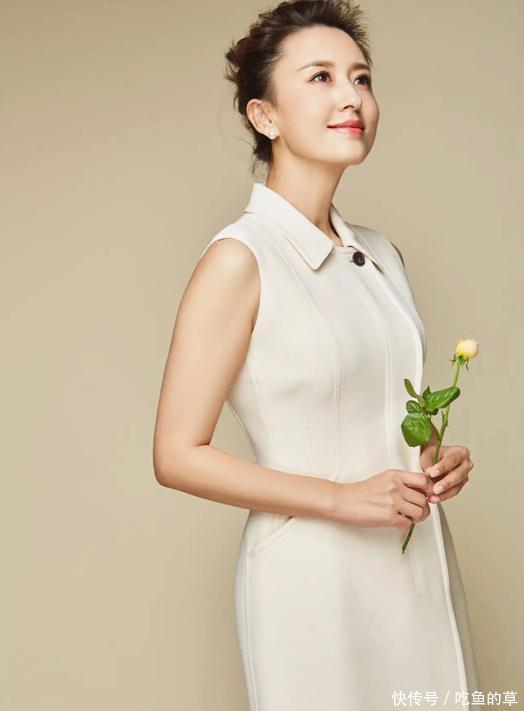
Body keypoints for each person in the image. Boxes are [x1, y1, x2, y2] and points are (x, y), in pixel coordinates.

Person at [153, 1, 481, 708]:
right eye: (321, 77)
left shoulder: (382, 254)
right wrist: (340, 497)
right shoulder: (240, 259)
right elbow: (176, 454)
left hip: (414, 558)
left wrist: (434, 455)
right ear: (264, 115)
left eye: (361, 78)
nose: (350, 97)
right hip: (313, 578)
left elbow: (374, 402)